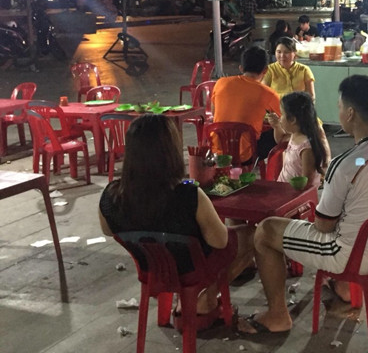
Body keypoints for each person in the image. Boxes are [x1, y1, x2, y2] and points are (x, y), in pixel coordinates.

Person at [237, 75, 368, 334]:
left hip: (347, 254)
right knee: (348, 213)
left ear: (350, 113)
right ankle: (343, 287)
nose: (339, 111)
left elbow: (323, 226)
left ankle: (277, 315)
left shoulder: (345, 165)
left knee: (266, 231)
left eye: (340, 106)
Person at [98, 114, 255, 328]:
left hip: (152, 269)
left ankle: (195, 300)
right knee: (251, 235)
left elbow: (108, 230)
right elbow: (220, 242)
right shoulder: (188, 195)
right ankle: (207, 297)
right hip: (191, 270)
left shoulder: (111, 196)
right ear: (170, 152)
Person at [210, 45, 281, 164]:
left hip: (218, 150)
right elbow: (284, 121)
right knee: (282, 134)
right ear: (265, 70)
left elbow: (214, 112)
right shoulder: (268, 93)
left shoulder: (220, 83)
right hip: (246, 155)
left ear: (241, 68)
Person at [273, 91, 330, 187]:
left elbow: (307, 182)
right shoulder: (295, 134)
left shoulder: (306, 147)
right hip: (285, 187)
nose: (280, 117)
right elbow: (280, 140)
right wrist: (276, 126)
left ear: (293, 120)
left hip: (296, 193)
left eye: (282, 114)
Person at [262, 36, 316, 102]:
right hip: (276, 107)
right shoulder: (269, 70)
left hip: (299, 107)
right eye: (279, 52)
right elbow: (264, 94)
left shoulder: (304, 70)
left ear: (294, 53)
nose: (282, 56)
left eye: (286, 52)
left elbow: (311, 96)